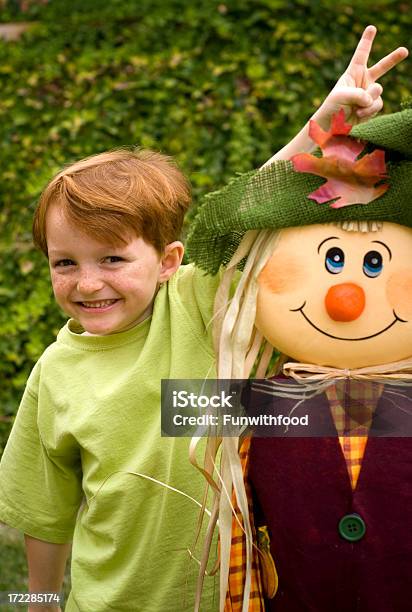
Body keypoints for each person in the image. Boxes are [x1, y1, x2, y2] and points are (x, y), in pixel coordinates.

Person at [0, 26, 407, 612]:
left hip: (229, 597)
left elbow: (251, 205)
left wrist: (326, 120)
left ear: (167, 262)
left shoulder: (195, 301)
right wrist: (37, 601)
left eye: (112, 259)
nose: (88, 282)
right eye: (65, 263)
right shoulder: (57, 373)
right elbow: (43, 508)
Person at [186, 39, 412, 612]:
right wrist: (321, 124)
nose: (344, 296)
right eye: (332, 260)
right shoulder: (251, 402)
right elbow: (224, 228)